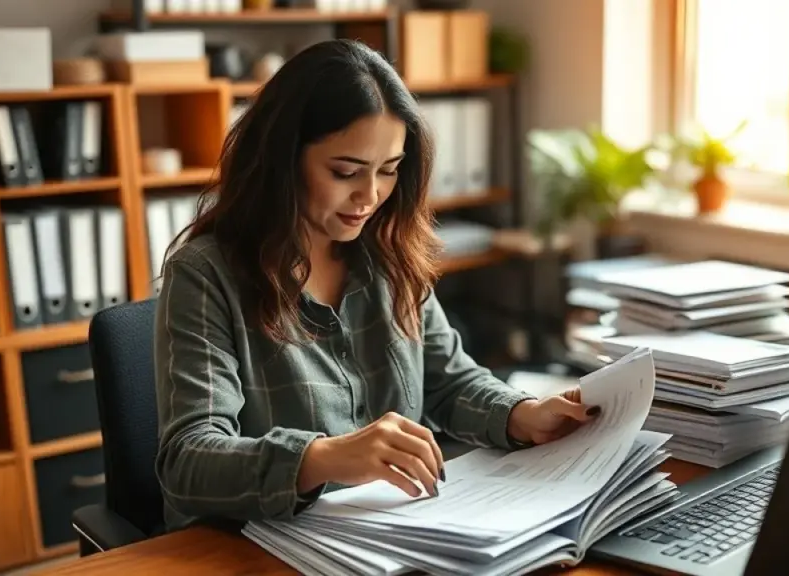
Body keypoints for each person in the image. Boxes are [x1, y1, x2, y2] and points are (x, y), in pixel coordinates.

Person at [152, 39, 600, 532]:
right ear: (283, 159)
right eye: (345, 172)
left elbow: (447, 381)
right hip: (260, 544)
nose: (370, 197)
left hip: (387, 535)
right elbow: (187, 460)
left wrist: (522, 415)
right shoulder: (206, 273)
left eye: (389, 171)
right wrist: (323, 458)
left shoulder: (387, 252)